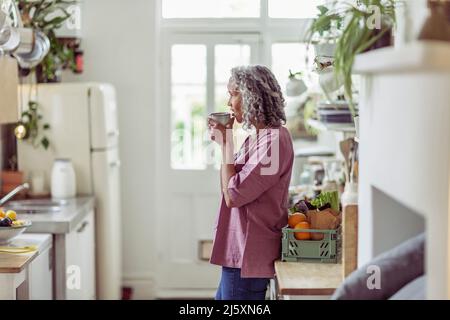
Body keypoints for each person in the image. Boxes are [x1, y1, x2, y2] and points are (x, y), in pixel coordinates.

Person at [208, 65, 294, 300]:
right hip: (239, 248)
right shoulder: (259, 138)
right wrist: (225, 144)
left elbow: (233, 195)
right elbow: (228, 185)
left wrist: (226, 144)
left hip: (248, 252)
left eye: (233, 93)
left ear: (250, 96)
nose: (228, 103)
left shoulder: (273, 142)